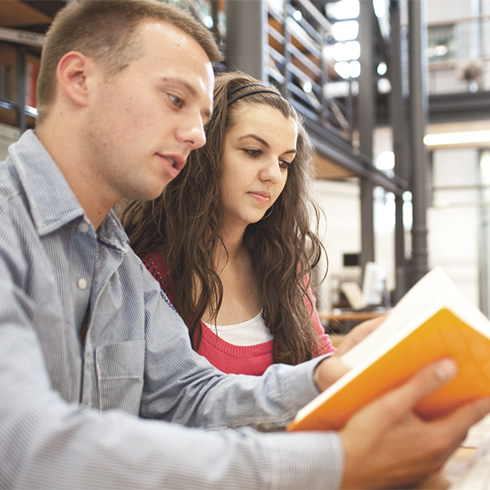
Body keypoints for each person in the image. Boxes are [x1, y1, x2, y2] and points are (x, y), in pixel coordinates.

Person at [1, 1, 489, 489]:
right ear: (79, 79)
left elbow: (189, 394)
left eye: (203, 115)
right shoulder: (18, 230)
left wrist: (326, 375)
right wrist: (334, 462)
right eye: (175, 99)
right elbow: (30, 447)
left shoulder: (115, 258)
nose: (196, 135)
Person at [122, 71, 335, 376]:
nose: (273, 175)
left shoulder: (284, 262)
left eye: (284, 162)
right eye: (253, 152)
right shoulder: (149, 271)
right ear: (204, 152)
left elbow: (319, 359)